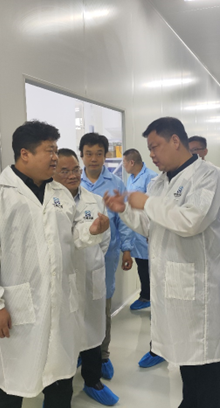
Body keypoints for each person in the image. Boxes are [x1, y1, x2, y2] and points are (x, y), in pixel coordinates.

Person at [0, 121, 109, 408]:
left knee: (61, 381)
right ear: (25, 154)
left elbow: (73, 236)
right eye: (49, 151)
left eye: (56, 150)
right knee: (13, 384)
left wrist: (91, 230)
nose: (55, 157)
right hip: (18, 309)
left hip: (61, 304)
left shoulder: (60, 194)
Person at [104, 117, 220, 408]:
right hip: (171, 284)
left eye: (155, 146)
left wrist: (146, 202)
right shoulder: (160, 182)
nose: (151, 155)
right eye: (149, 149)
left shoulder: (208, 176)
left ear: (175, 141)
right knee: (184, 355)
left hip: (197, 286)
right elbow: (151, 226)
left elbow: (191, 221)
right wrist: (125, 211)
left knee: (205, 360)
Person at [52, 148, 119, 406]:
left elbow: (104, 239)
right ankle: (59, 395)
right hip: (62, 278)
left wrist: (94, 262)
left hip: (91, 274)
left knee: (92, 329)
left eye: (75, 170)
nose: (72, 175)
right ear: (53, 173)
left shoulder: (94, 199)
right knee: (63, 338)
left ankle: (92, 381)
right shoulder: (48, 203)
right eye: (64, 171)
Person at [79, 132, 135, 380]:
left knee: (103, 307)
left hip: (106, 256)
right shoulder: (72, 181)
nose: (93, 158)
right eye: (88, 153)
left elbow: (124, 219)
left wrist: (127, 249)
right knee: (78, 306)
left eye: (99, 154)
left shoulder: (116, 184)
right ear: (82, 155)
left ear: (105, 156)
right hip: (78, 257)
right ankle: (82, 352)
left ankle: (102, 355)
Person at [122, 148, 158, 310]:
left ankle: (150, 297)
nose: (123, 166)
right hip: (135, 232)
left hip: (147, 231)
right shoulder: (131, 178)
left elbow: (153, 206)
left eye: (124, 162)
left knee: (150, 266)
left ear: (131, 162)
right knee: (142, 265)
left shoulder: (151, 177)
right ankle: (146, 295)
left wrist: (151, 231)